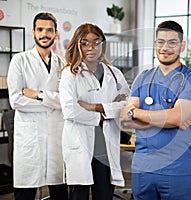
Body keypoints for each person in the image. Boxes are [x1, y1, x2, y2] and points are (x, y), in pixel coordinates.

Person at [120, 20, 191, 200]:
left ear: (182, 46)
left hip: (175, 168)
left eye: (172, 42)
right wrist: (164, 117)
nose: (165, 47)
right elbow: (126, 119)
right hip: (143, 167)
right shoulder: (143, 78)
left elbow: (175, 118)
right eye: (160, 42)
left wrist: (136, 112)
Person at [59, 23, 130, 200]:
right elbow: (70, 110)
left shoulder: (114, 74)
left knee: (105, 194)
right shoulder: (70, 74)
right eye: (85, 43)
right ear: (77, 45)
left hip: (105, 147)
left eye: (96, 42)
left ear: (102, 44)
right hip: (80, 144)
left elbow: (128, 104)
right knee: (79, 195)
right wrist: (104, 113)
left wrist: (98, 108)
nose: (91, 48)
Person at [7, 12, 68, 200]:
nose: (45, 34)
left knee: (59, 190)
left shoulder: (63, 63)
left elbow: (66, 101)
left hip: (56, 135)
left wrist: (37, 95)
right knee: (25, 191)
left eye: (50, 30)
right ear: (33, 32)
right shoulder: (20, 60)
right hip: (30, 136)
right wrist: (53, 102)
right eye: (40, 29)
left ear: (56, 34)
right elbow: (16, 100)